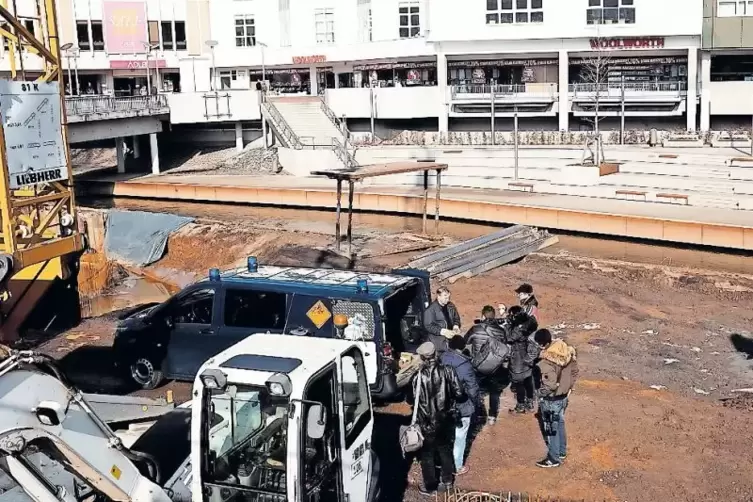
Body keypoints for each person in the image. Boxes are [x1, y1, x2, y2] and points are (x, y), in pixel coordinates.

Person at [409, 341, 464, 495]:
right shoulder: (448, 371)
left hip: (425, 421)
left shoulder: (417, 377)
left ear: (423, 357)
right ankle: (447, 482)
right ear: (435, 354)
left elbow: (410, 399)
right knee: (445, 451)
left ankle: (430, 486)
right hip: (445, 419)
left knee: (427, 455)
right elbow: (459, 393)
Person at [533, 329, 578, 468]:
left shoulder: (545, 363)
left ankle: (553, 458)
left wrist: (539, 393)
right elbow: (575, 372)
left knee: (551, 429)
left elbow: (550, 385)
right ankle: (561, 451)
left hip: (551, 400)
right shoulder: (568, 353)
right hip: (564, 397)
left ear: (543, 344)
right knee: (560, 424)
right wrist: (567, 387)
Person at [440, 336, 479, 476]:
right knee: (460, 436)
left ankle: (441, 462)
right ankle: (457, 466)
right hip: (461, 405)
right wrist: (475, 404)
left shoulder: (441, 358)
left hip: (443, 404)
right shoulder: (465, 365)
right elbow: (473, 389)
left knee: (445, 435)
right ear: (461, 348)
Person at [464, 305, 508, 425]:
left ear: (483, 316)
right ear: (494, 316)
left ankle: (477, 414)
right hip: (495, 366)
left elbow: (465, 341)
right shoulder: (501, 330)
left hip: (478, 365)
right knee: (494, 391)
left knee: (475, 389)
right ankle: (492, 416)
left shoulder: (475, 329)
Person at [506, 306, 540, 414]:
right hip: (528, 358)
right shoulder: (529, 323)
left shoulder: (518, 329)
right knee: (528, 380)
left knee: (519, 383)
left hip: (518, 359)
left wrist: (507, 326)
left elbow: (509, 338)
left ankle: (520, 405)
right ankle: (530, 403)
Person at [423, 286, 461, 355]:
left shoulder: (451, 306)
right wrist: (443, 331)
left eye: (449, 297)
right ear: (438, 296)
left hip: (452, 340)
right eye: (445, 297)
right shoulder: (430, 310)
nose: (448, 299)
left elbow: (456, 318)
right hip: (438, 343)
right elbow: (428, 326)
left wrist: (456, 326)